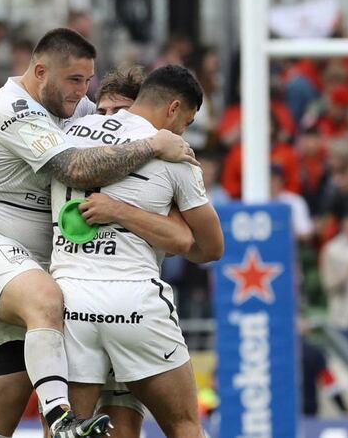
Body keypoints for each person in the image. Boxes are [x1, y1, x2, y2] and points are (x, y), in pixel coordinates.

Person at [0, 28, 194, 438]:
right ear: (40, 71)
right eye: (75, 80)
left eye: (88, 82)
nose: (84, 93)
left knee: (1, 406)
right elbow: (75, 168)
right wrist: (151, 147)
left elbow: (193, 239)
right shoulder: (14, 108)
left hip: (52, 274)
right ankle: (61, 418)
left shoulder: (84, 115)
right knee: (46, 300)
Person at [51, 65, 223, 438]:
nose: (182, 132)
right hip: (133, 301)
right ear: (174, 108)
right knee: (184, 426)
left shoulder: (66, 133)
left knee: (66, 430)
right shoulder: (172, 152)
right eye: (187, 122)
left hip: (68, 302)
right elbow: (211, 247)